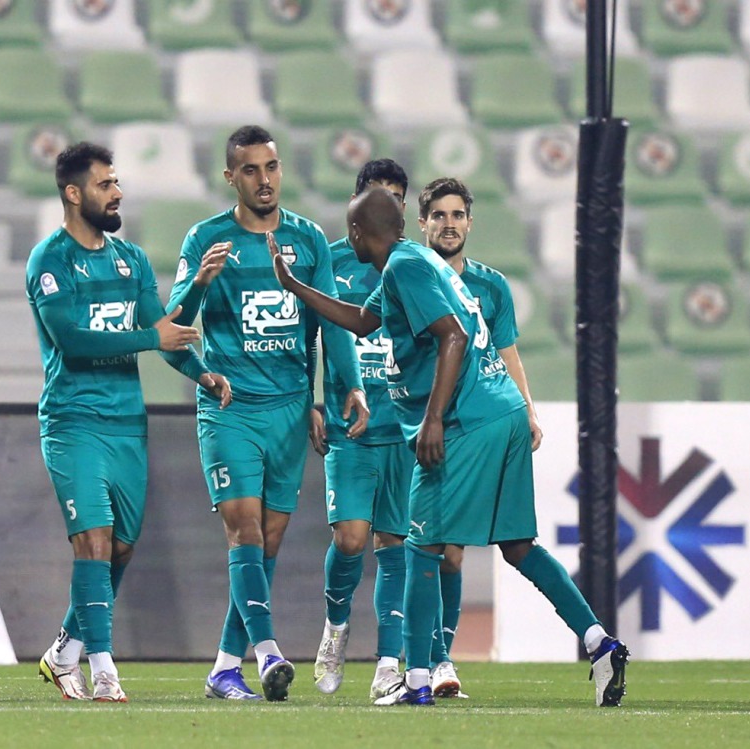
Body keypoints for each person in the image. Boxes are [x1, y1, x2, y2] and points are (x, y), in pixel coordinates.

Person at [269, 188, 629, 708]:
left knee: (419, 549)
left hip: (467, 421)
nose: (349, 237)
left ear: (359, 233)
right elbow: (362, 321)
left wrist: (433, 418)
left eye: (352, 229)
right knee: (519, 545)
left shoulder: (404, 270)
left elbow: (453, 336)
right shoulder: (412, 260)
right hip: (502, 411)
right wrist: (294, 284)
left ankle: (416, 682)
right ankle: (600, 645)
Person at [167, 125, 368, 702]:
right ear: (230, 177)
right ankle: (268, 652)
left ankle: (225, 668)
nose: (264, 179)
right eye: (250, 170)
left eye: (271, 167)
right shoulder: (206, 239)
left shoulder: (307, 242)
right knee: (244, 530)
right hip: (230, 411)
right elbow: (172, 329)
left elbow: (330, 323)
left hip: (287, 413)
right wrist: (201, 284)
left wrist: (344, 389)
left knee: (268, 544)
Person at [27, 142, 231, 703]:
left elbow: (164, 334)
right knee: (92, 541)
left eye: (117, 183)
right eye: (105, 184)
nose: (117, 193)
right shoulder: (49, 261)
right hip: (73, 421)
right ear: (73, 193)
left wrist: (203, 373)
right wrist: (154, 337)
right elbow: (72, 341)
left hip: (126, 425)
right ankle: (103, 668)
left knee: (119, 550)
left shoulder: (132, 259)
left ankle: (64, 650)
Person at [416, 176, 545, 698]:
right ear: (421, 222)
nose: (449, 224)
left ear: (470, 221)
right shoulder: (410, 277)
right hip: (418, 424)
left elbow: (507, 352)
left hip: (464, 429)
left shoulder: (492, 287)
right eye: (439, 215)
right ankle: (408, 661)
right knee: (417, 546)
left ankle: (438, 662)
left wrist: (529, 411)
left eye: (457, 215)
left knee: (448, 551)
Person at [307, 159, 413, 701]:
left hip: (404, 431)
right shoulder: (330, 262)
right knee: (350, 539)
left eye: (397, 199)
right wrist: (310, 398)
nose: (387, 208)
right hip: (350, 428)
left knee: (394, 544)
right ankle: (335, 628)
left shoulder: (416, 266)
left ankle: (389, 663)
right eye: (379, 197)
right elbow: (306, 332)